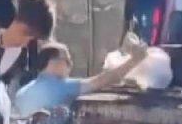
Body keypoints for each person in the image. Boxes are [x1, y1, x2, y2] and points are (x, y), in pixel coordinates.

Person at [13, 37, 149, 119]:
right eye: (67, 60)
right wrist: (135, 60)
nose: (71, 65)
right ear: (52, 62)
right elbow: (102, 81)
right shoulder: (61, 87)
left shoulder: (22, 92)